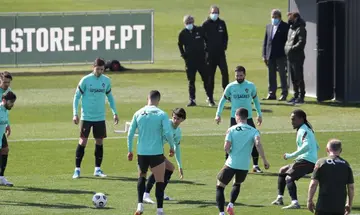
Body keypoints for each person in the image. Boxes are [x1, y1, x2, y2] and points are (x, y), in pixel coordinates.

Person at [127, 90, 175, 215]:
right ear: (158, 100)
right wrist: (171, 146)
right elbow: (168, 133)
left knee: (142, 176)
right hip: (156, 153)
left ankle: (139, 206)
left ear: (147, 98)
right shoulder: (161, 114)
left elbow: (130, 134)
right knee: (159, 180)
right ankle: (159, 210)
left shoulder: (138, 113)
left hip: (142, 152)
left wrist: (130, 150)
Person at [216, 108, 270, 215]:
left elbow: (226, 147)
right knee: (237, 183)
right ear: (247, 117)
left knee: (220, 186)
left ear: (237, 116)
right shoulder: (254, 130)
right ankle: (231, 205)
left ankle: (221, 213)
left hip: (231, 163)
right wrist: (264, 160)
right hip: (244, 166)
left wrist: (230, 151)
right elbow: (258, 144)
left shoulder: (231, 129)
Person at [72, 58, 119, 179]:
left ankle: (97, 169)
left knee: (99, 142)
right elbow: (76, 97)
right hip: (86, 117)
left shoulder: (106, 81)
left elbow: (110, 97)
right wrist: (75, 113)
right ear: (93, 67)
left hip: (100, 117)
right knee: (83, 142)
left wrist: (114, 112)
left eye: (102, 69)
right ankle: (77, 170)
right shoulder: (86, 80)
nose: (99, 71)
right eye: (97, 69)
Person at [215, 65, 263, 173]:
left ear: (244, 75)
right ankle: (227, 164)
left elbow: (256, 101)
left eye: (241, 75)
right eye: (237, 75)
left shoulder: (250, 86)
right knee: (230, 140)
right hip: (234, 119)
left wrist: (259, 114)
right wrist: (218, 114)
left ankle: (255, 165)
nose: (239, 77)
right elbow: (222, 101)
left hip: (249, 118)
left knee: (254, 140)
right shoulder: (231, 87)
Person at [271, 109, 319, 209]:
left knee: (289, 177)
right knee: (283, 170)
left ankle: (295, 203)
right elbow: (316, 145)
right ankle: (280, 198)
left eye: (293, 119)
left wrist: (291, 155)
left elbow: (306, 146)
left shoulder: (303, 130)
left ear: (301, 119)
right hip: (307, 159)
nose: (291, 122)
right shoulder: (306, 129)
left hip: (307, 161)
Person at [143, 108, 186, 204]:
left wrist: (180, 166)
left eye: (178, 119)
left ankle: (160, 193)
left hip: (157, 150)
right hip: (150, 148)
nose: (175, 120)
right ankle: (145, 194)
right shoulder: (166, 123)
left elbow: (177, 148)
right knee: (159, 169)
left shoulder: (178, 132)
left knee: (170, 168)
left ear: (182, 120)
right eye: (174, 117)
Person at [307, 139, 355, 215]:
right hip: (339, 207)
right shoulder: (346, 165)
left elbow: (313, 184)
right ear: (341, 150)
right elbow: (351, 187)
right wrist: (349, 204)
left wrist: (309, 200)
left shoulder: (321, 162)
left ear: (327, 149)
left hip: (323, 206)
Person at [178, 15, 215, 107]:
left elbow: (207, 40)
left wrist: (206, 52)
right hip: (190, 61)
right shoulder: (182, 33)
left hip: (201, 60)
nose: (189, 24)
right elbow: (180, 44)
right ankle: (192, 100)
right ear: (184, 23)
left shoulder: (199, 30)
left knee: (206, 80)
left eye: (190, 22)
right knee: (191, 81)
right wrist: (183, 54)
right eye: (187, 23)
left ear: (193, 22)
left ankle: (210, 98)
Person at [262, 9, 289, 101]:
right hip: (270, 55)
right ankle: (271, 93)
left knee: (282, 75)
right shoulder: (269, 26)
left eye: (275, 17)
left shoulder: (285, 27)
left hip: (281, 55)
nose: (274, 19)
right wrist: (264, 55)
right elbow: (266, 42)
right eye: (272, 17)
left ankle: (284, 93)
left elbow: (287, 42)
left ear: (280, 17)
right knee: (271, 75)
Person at [202, 5, 229, 98]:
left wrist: (224, 47)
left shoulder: (222, 23)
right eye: (213, 12)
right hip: (210, 55)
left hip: (221, 54)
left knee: (225, 73)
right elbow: (202, 39)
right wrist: (206, 49)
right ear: (210, 13)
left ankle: (227, 94)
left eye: (216, 12)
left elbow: (225, 36)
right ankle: (210, 97)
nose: (215, 14)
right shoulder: (205, 24)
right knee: (210, 76)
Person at [285, 12, 307, 104]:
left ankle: (301, 96)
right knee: (293, 78)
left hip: (297, 57)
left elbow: (301, 42)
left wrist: (291, 48)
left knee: (299, 77)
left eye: (290, 17)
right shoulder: (291, 28)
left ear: (295, 17)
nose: (289, 19)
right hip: (290, 56)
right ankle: (295, 95)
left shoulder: (301, 29)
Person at [0, 91, 16, 187]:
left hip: (1, 135)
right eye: (10, 102)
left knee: (5, 150)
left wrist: (7, 126)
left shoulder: (5, 110)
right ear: (4, 100)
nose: (12, 105)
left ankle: (1, 178)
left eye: (13, 102)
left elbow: (5, 119)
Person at [0, 72, 13, 186]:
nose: (6, 85)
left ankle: (1, 177)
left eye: (8, 82)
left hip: (1, 125)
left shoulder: (8, 92)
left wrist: (7, 124)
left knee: (4, 149)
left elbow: (6, 110)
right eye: (4, 82)